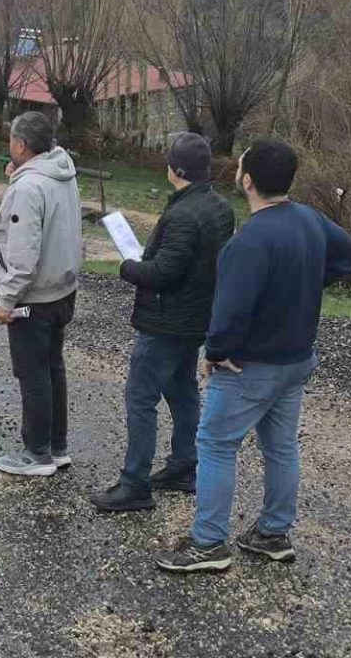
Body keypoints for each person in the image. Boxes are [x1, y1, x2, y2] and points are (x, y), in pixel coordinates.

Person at [156, 139, 351, 574]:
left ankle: (208, 543)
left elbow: (230, 311)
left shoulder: (248, 242)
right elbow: (348, 254)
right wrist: (305, 283)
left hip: (251, 365)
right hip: (296, 359)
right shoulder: (310, 219)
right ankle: (272, 533)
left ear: (246, 180)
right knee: (281, 447)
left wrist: (216, 352)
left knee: (215, 444)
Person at [92, 131, 235, 512]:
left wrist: (128, 266)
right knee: (182, 389)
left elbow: (164, 273)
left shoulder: (183, 215)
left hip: (166, 322)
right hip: (196, 318)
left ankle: (134, 482)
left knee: (141, 398)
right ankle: (184, 465)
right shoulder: (221, 207)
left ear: (176, 170)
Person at [0, 112, 81, 477]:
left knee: (33, 374)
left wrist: (6, 300)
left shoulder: (29, 188)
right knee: (53, 367)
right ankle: (57, 447)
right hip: (63, 288)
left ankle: (36, 453)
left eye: (11, 140)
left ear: (21, 144)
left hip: (35, 296)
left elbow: (23, 253)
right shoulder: (62, 174)